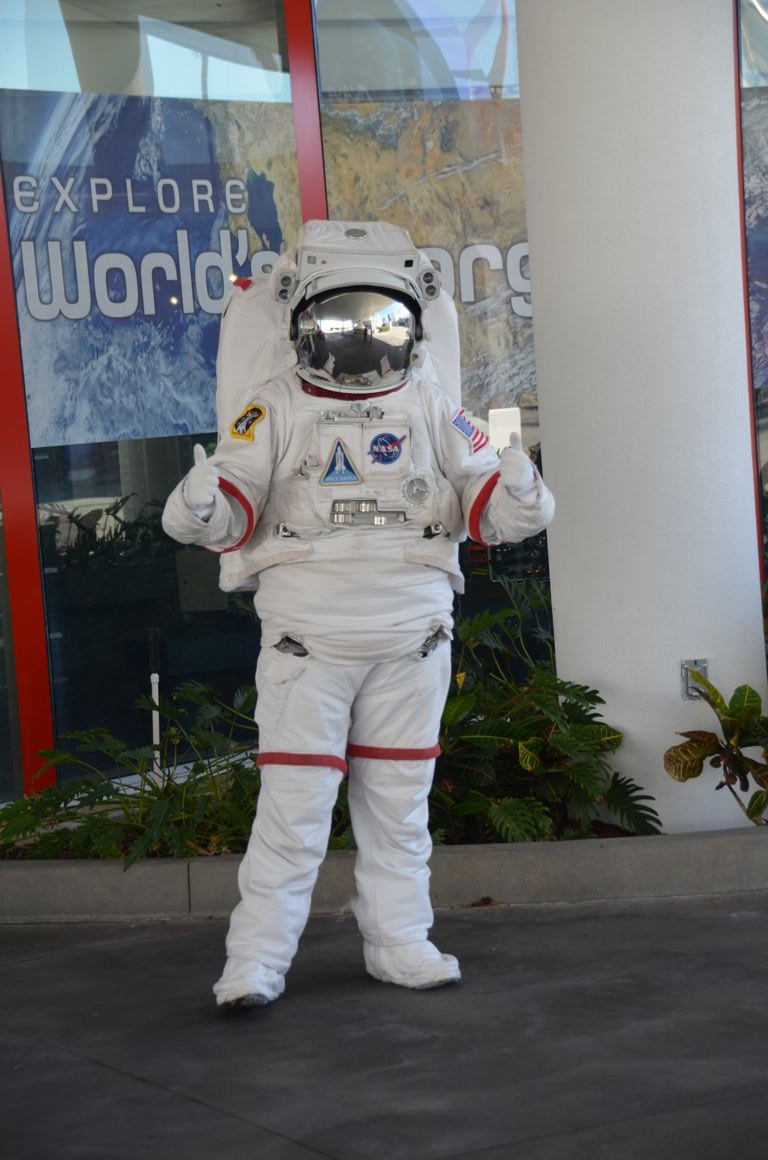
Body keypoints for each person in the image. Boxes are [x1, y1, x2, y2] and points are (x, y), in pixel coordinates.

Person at [162, 220, 555, 1008]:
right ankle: (256, 960)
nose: (361, 345)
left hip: (411, 641)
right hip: (311, 645)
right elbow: (231, 505)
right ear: (301, 326)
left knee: (400, 810)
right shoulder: (273, 407)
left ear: (410, 328)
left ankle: (400, 940)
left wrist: (521, 492)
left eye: (380, 325)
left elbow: (489, 503)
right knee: (294, 812)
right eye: (341, 325)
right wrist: (198, 506)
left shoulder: (433, 405)